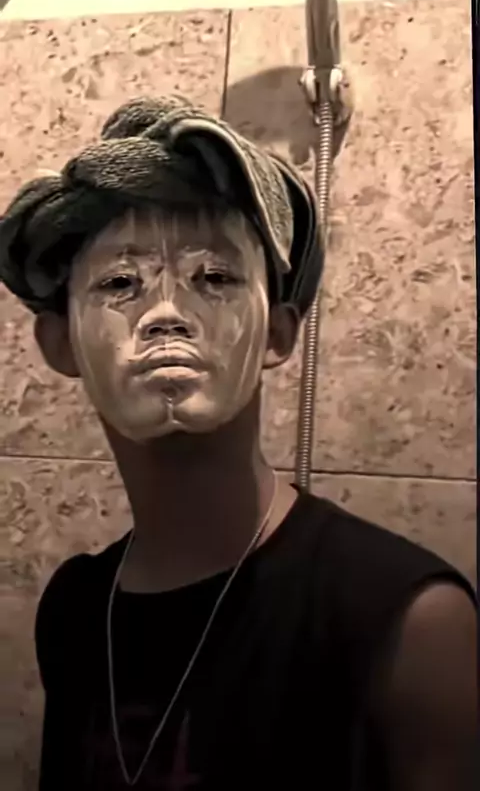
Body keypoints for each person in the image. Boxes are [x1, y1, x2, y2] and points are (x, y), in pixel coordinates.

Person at [0, 95, 476, 791]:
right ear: (60, 343)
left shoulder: (409, 622)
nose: (166, 314)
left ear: (278, 333)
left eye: (215, 278)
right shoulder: (75, 610)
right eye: (121, 283)